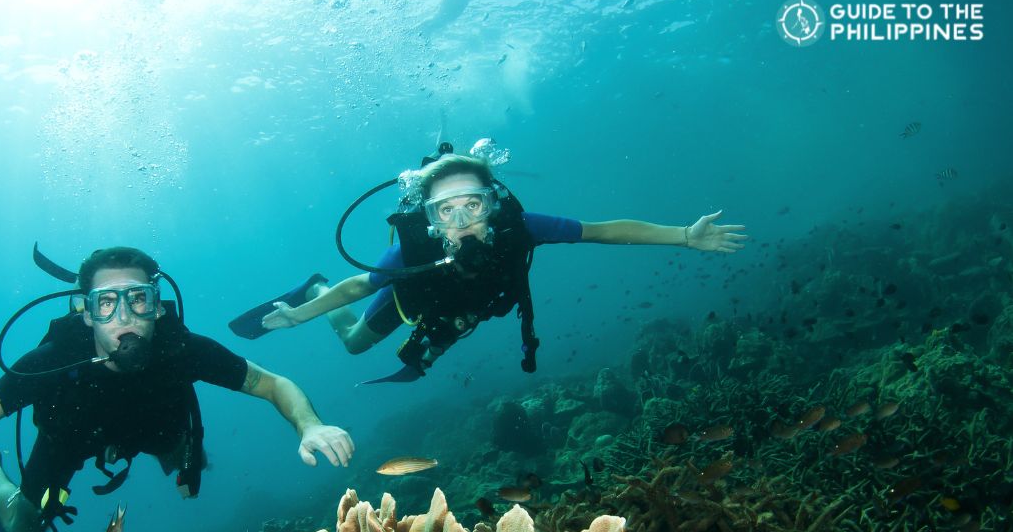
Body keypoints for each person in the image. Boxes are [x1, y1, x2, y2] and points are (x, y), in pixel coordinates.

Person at [0, 246, 354, 532]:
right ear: (86, 312)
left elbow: (273, 384)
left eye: (138, 300)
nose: (124, 318)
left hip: (156, 425)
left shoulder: (182, 350)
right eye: (106, 304)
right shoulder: (53, 361)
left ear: (157, 305)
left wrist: (309, 425)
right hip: (70, 438)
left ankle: (173, 455)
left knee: (188, 462)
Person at [230, 153, 746, 382]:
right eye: (444, 210)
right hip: (415, 299)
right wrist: (304, 313)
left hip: (463, 311)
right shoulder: (414, 251)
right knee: (355, 344)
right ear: (429, 217)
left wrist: (683, 236)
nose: (460, 221)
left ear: (491, 203)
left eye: (471, 205)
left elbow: (604, 229)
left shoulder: (521, 225)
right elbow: (359, 286)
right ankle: (310, 285)